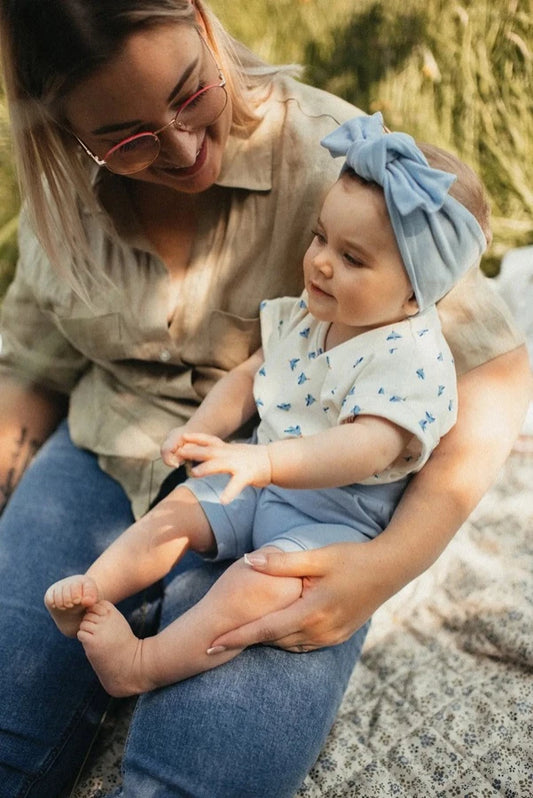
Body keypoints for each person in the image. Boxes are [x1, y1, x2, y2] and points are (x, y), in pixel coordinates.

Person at [0, 1, 529, 796]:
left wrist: (383, 568)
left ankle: (144, 661)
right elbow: (29, 368)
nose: (182, 148)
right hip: (118, 450)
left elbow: (493, 369)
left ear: (202, 23)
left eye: (189, 93)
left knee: (196, 775)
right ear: (65, 130)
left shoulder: (353, 174)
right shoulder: (61, 197)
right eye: (125, 138)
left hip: (299, 495)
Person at [44, 112, 488, 699]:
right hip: (259, 480)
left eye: (353, 258)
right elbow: (251, 374)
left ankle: (142, 664)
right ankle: (93, 590)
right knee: (177, 511)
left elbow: (364, 448)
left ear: (415, 293)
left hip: (331, 525)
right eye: (320, 237)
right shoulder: (314, 310)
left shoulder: (413, 359)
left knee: (248, 589)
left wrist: (266, 463)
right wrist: (201, 430)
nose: (321, 262)